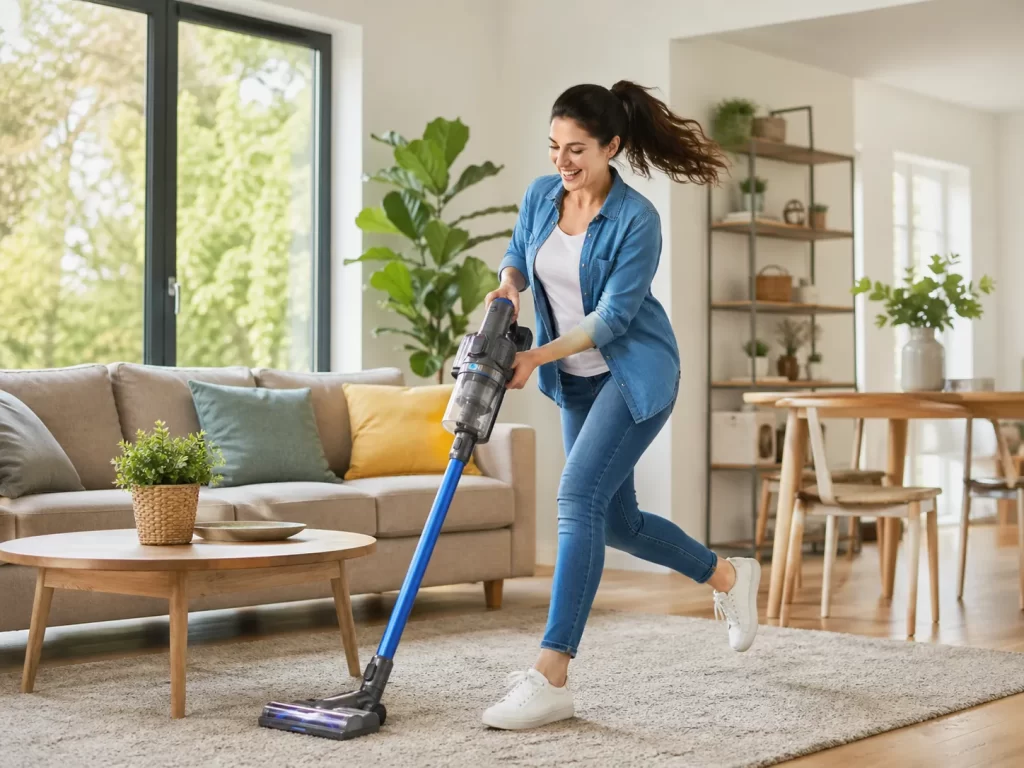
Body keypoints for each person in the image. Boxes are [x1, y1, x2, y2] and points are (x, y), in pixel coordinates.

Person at [479, 81, 760, 731]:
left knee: (577, 498)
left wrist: (534, 356)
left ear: (611, 146)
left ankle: (551, 674)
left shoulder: (637, 219)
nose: (563, 161)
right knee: (617, 523)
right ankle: (727, 576)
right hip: (576, 381)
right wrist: (508, 287)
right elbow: (518, 254)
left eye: (577, 149)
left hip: (635, 376)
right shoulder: (541, 196)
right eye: (554, 147)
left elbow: (611, 320)